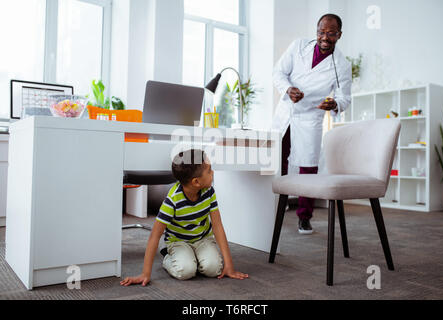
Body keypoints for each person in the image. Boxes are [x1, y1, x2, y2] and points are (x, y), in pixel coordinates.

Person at [272, 14, 352, 234]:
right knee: (277, 159)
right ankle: (273, 209)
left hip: (310, 118)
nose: (325, 37)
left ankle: (304, 217)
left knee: (309, 167)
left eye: (331, 33)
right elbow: (278, 72)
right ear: (316, 30)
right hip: (287, 111)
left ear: (339, 35)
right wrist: (288, 89)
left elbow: (345, 98)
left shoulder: (342, 65)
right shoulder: (299, 46)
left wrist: (334, 103)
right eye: (321, 32)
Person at [120, 149, 248, 286]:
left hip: (202, 239)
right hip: (178, 242)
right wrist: (145, 273)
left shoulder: (209, 191)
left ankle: (195, 258)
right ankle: (168, 258)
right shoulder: (172, 201)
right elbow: (154, 236)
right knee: (185, 271)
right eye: (209, 170)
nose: (213, 172)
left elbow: (217, 225)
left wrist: (229, 265)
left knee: (214, 269)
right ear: (196, 182)